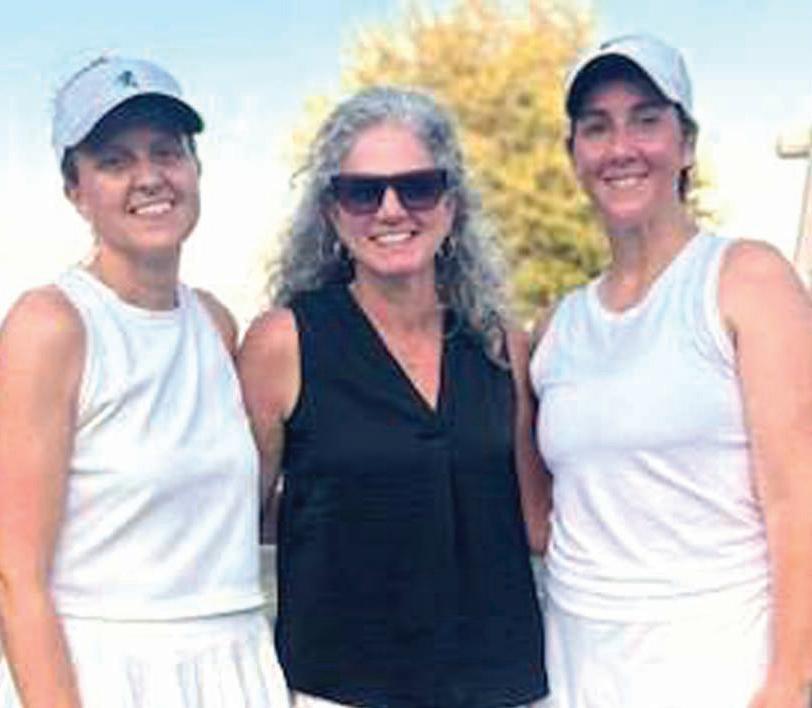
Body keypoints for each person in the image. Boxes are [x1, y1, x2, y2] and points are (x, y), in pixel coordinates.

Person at [238, 86, 550, 708]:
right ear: (332, 212)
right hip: (341, 688)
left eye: (417, 187)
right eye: (362, 192)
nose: (390, 209)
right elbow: (231, 519)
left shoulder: (501, 346)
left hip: (504, 687)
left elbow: (537, 522)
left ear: (451, 204)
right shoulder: (284, 343)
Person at [531, 34, 812, 707]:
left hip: (719, 666)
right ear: (574, 155)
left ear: (686, 144)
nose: (621, 147)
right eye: (596, 127)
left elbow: (797, 499)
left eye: (646, 119)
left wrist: (789, 681)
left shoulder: (747, 280)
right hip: (577, 669)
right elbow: (547, 518)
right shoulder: (556, 328)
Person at [0, 56, 289, 707]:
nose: (150, 176)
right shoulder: (51, 325)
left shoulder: (215, 324)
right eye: (114, 161)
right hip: (106, 674)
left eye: (167, 151)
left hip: (237, 664)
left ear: (195, 167)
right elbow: (17, 578)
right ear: (75, 190)